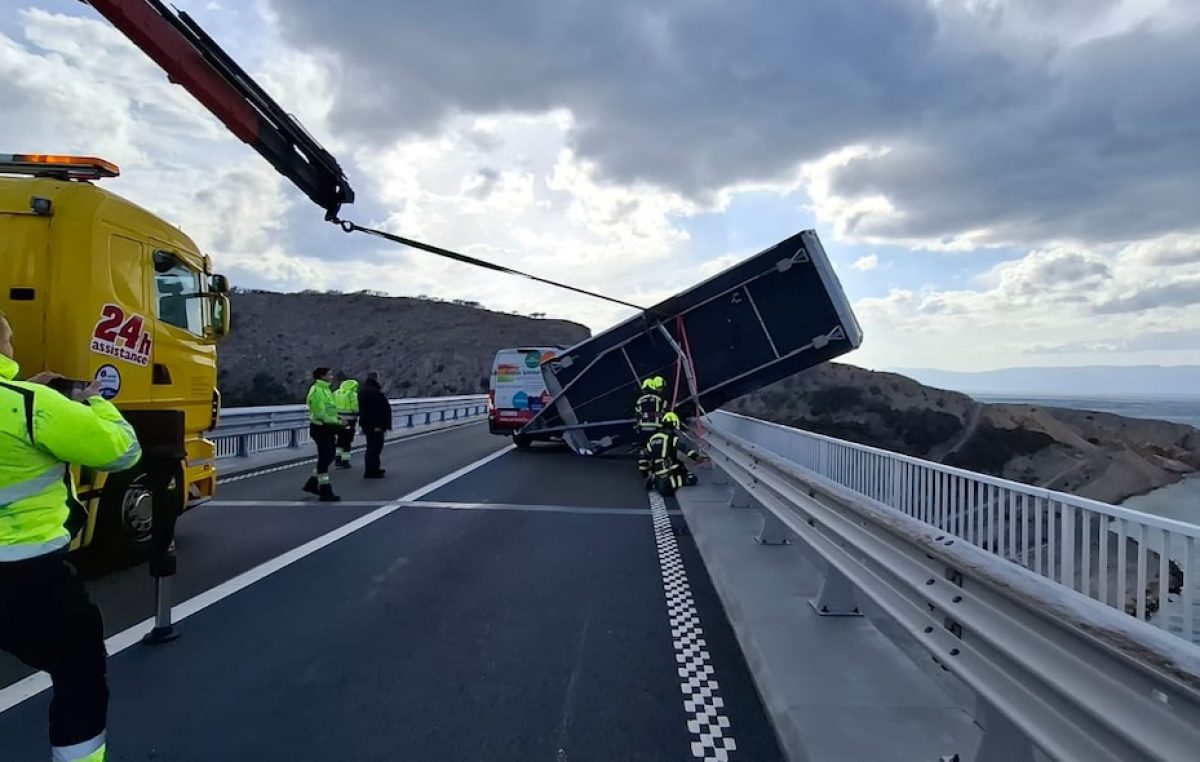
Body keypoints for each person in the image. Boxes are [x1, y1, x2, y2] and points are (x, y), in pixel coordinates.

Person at [0, 310, 142, 762]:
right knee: (78, 673)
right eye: (8, 338)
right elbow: (122, 452)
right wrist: (94, 401)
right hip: (26, 577)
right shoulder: (28, 404)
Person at [303, 367, 341, 502]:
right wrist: (337, 422)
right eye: (329, 374)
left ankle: (312, 484)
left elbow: (330, 410)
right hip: (321, 428)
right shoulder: (317, 391)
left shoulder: (326, 390)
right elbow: (320, 413)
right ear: (322, 376)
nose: (332, 376)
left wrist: (337, 421)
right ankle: (325, 490)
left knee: (327, 458)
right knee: (326, 458)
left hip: (328, 427)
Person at [645, 412, 703, 496]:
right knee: (691, 479)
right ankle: (674, 481)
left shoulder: (653, 437)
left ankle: (655, 481)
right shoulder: (671, 436)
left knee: (664, 483)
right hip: (670, 467)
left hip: (656, 468)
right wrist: (696, 457)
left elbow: (648, 453)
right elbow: (684, 448)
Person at [357, 371, 392, 479]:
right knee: (374, 447)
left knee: (372, 446)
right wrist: (378, 425)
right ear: (376, 379)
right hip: (374, 425)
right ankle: (371, 470)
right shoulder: (373, 392)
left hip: (368, 424)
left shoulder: (365, 390)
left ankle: (373, 468)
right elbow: (375, 411)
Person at [634, 375, 667, 477]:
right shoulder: (659, 399)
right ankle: (658, 470)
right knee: (657, 448)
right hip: (656, 428)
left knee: (643, 449)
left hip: (644, 428)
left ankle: (644, 471)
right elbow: (664, 412)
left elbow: (637, 414)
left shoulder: (640, 400)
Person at [333, 377, 360, 469]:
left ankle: (337, 459)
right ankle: (345, 461)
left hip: (338, 421)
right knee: (347, 442)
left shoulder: (336, 393)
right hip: (349, 421)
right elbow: (355, 408)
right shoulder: (352, 394)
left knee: (339, 441)